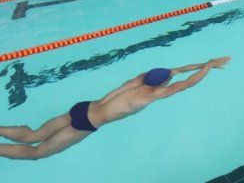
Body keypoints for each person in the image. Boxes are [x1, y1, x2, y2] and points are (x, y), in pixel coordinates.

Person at [0, 56, 231, 160]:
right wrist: (209, 67)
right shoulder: (152, 94)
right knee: (37, 152)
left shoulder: (141, 79)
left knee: (33, 135)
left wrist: (206, 62)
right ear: (163, 84)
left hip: (82, 108)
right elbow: (188, 82)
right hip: (86, 123)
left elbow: (178, 70)